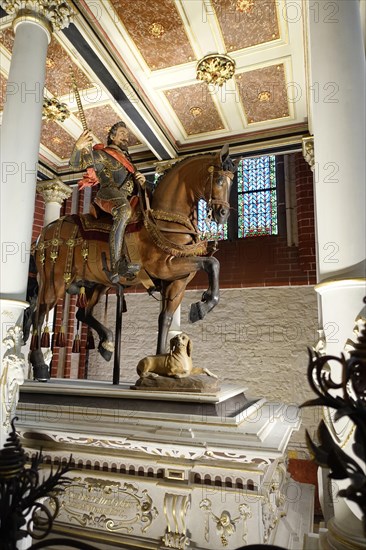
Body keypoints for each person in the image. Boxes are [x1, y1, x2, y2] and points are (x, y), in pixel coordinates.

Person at [69, 121, 146, 282]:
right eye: (122, 133)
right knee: (124, 210)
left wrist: (142, 180)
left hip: (127, 196)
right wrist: (78, 147)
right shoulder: (103, 154)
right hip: (108, 192)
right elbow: (76, 165)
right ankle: (117, 263)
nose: (126, 137)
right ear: (112, 136)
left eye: (127, 134)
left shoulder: (129, 161)